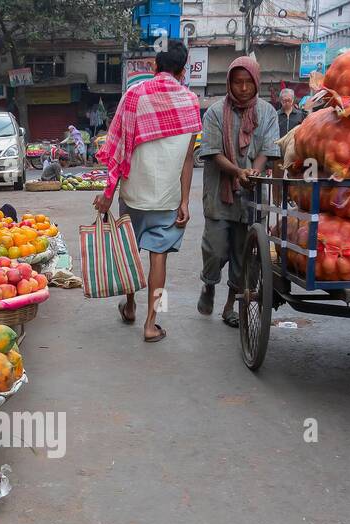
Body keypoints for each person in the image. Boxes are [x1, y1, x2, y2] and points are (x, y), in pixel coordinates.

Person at [94, 41, 202, 344]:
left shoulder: (134, 96)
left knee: (132, 253)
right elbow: (188, 158)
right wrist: (184, 200)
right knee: (159, 258)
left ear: (155, 66)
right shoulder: (191, 101)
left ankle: (129, 306)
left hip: (134, 193)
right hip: (167, 197)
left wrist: (108, 195)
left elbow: (117, 150)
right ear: (182, 71)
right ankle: (151, 323)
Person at [197, 56, 280, 326]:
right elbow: (211, 152)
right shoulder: (214, 112)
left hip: (252, 197)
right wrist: (237, 172)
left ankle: (231, 304)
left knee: (244, 255)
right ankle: (209, 285)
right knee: (216, 249)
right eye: (237, 82)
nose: (243, 88)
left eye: (248, 82)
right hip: (220, 194)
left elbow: (268, 150)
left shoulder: (267, 113)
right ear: (230, 83)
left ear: (256, 83)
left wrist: (253, 171)